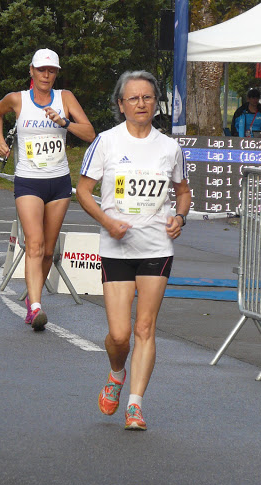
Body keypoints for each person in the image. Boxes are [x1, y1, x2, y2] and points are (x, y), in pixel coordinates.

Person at [76, 70, 191, 431]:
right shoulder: (107, 142)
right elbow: (82, 191)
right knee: (120, 335)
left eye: (147, 97)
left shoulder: (169, 147)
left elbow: (183, 193)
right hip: (116, 247)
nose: (141, 104)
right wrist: (108, 222)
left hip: (157, 246)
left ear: (156, 102)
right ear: (120, 104)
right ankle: (115, 373)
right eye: (133, 98)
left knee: (145, 327)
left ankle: (135, 405)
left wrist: (181, 217)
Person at [0, 48, 95, 331]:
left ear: (56, 73)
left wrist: (64, 122)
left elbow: (90, 133)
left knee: (48, 250)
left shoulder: (65, 98)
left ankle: (32, 299)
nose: (46, 75)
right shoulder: (17, 99)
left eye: (51, 71)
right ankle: (35, 306)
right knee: (34, 243)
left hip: (59, 182)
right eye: (41, 70)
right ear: (32, 71)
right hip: (28, 181)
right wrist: (0, 141)